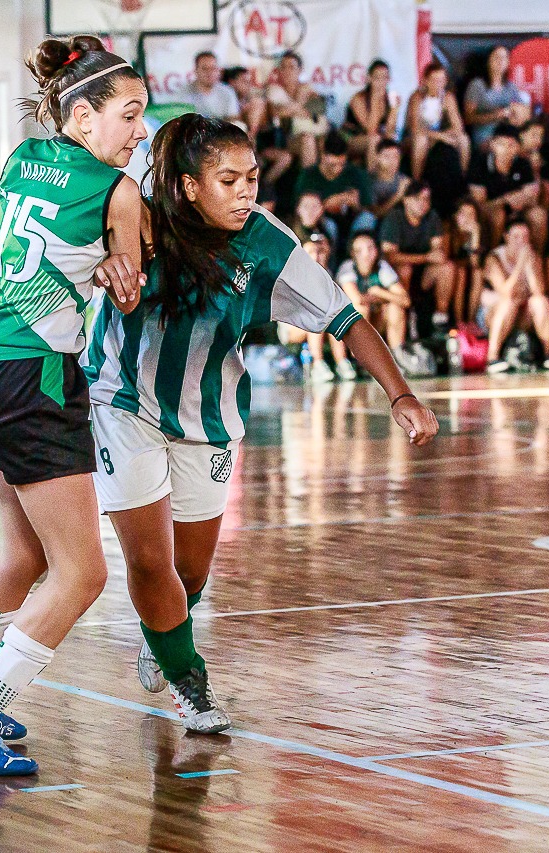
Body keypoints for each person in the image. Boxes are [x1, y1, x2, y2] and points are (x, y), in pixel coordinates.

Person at [83, 114, 438, 733]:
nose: (247, 191)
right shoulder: (133, 218)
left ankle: (163, 638)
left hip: (208, 418)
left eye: (251, 178)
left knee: (189, 573)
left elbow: (345, 318)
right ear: (189, 186)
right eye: (229, 180)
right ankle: (189, 679)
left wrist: (400, 393)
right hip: (122, 403)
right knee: (148, 561)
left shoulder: (267, 242)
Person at [0, 35, 146, 776]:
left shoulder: (22, 159)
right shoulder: (119, 191)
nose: (139, 130)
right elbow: (132, 291)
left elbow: (46, 250)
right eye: (130, 114)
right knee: (83, 574)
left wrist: (99, 265)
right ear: (83, 117)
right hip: (38, 375)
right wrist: (120, 269)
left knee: (25, 555)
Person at [379, 181, 453, 330]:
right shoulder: (394, 218)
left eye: (426, 199)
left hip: (424, 274)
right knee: (405, 268)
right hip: (398, 276)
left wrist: (429, 257)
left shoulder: (432, 217)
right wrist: (425, 258)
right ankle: (405, 315)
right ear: (406, 200)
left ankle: (440, 318)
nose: (422, 203)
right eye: (417, 198)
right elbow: (390, 256)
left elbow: (438, 254)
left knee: (447, 268)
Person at [483, 220, 549, 373]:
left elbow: (538, 291)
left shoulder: (533, 257)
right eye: (516, 237)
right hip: (494, 314)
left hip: (521, 314)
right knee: (508, 303)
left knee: (541, 302)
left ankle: (548, 354)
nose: (521, 241)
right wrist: (520, 264)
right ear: (506, 237)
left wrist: (529, 267)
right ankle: (492, 357)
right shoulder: (494, 258)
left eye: (525, 237)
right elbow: (506, 292)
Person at [467, 125, 546, 251]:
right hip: (491, 211)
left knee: (538, 215)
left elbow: (533, 197)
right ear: (492, 145)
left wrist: (523, 198)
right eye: (501, 144)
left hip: (518, 210)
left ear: (517, 148)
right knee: (498, 215)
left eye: (511, 145)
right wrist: (505, 200)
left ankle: (536, 257)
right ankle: (492, 256)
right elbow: (478, 205)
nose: (506, 150)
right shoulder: (479, 164)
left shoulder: (523, 163)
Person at [294, 132, 375, 247]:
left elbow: (370, 208)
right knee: (329, 225)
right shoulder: (309, 176)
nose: (338, 169)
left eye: (341, 164)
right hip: (322, 223)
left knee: (367, 218)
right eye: (333, 165)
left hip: (350, 221)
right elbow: (300, 209)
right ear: (323, 156)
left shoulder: (355, 173)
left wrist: (356, 205)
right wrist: (326, 205)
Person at [337, 231, 410, 358]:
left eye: (370, 248)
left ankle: (397, 356)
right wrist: (380, 297)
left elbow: (405, 300)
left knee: (395, 308)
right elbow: (357, 300)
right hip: (349, 326)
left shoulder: (382, 266)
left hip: (377, 320)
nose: (366, 254)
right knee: (361, 309)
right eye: (359, 250)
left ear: (376, 250)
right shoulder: (347, 267)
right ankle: (362, 358)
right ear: (353, 254)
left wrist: (380, 292)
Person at [298, 233, 358, 382]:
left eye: (319, 252)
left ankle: (342, 362)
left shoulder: (328, 274)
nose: (316, 256)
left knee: (333, 316)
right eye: (311, 252)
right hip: (292, 325)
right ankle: (317, 364)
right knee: (317, 315)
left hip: (319, 323)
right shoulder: (296, 274)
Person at [405, 62, 470, 180]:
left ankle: (462, 180)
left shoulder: (448, 97)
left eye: (441, 80)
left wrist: (446, 135)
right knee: (421, 141)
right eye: (434, 80)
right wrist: (441, 136)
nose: (438, 84)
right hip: (415, 137)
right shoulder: (417, 97)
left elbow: (458, 126)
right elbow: (415, 128)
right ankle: (417, 182)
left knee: (463, 139)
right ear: (425, 81)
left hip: (437, 136)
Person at [266, 51, 327, 170]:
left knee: (323, 141)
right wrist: (301, 105)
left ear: (300, 70)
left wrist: (292, 108)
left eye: (292, 67)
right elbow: (276, 113)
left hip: (314, 133)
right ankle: (308, 184)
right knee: (307, 139)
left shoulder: (307, 88)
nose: (287, 71)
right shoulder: (274, 90)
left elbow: (319, 108)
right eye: (283, 67)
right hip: (287, 137)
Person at [463, 46, 526, 152]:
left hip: (508, 133)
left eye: (504, 58)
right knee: (503, 149)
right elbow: (468, 118)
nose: (501, 61)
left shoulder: (511, 87)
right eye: (497, 57)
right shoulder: (477, 85)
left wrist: (516, 114)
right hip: (485, 135)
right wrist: (495, 115)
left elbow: (523, 111)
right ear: (489, 61)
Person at [341, 59, 401, 163]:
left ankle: (388, 176)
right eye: (377, 78)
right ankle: (372, 178)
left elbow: (390, 130)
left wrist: (395, 109)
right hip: (352, 138)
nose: (381, 82)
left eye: (385, 78)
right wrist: (374, 99)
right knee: (374, 140)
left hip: (376, 138)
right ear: (369, 79)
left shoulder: (389, 99)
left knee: (390, 141)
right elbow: (370, 130)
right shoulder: (358, 98)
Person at [445, 199, 487, 324]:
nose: (467, 218)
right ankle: (459, 322)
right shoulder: (448, 230)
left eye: (471, 214)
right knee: (461, 272)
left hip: (469, 274)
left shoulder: (478, 233)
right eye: (463, 213)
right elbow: (447, 258)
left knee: (478, 274)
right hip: (451, 275)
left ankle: (471, 321)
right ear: (455, 216)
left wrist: (475, 237)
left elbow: (475, 264)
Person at [182, 51, 241, 123]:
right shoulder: (184, 92)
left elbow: (233, 118)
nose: (210, 73)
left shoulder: (227, 91)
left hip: (222, 130)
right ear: (195, 71)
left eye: (213, 68)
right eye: (205, 69)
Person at [368, 138, 410, 219]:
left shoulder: (404, 180)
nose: (392, 161)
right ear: (377, 157)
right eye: (387, 156)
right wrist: (398, 195)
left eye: (396, 157)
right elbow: (375, 214)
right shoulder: (369, 182)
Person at [288, 191, 339, 258]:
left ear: (322, 209)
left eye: (315, 206)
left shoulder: (328, 228)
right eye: (306, 206)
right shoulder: (289, 233)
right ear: (298, 209)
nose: (310, 211)